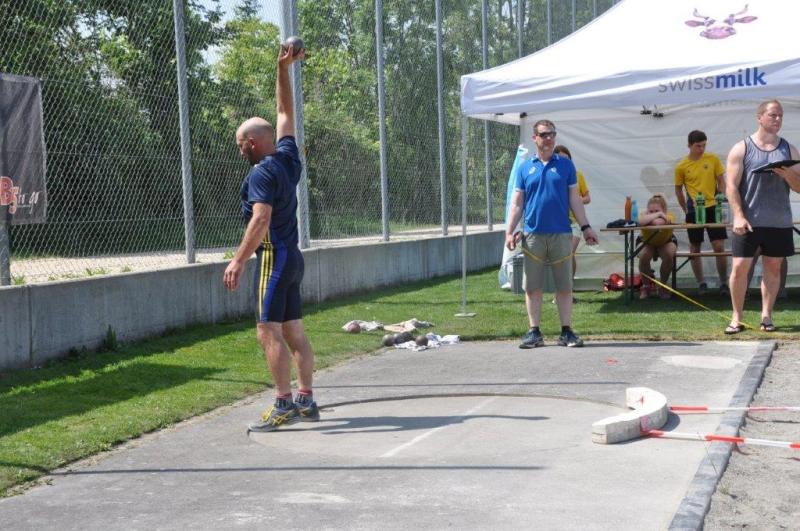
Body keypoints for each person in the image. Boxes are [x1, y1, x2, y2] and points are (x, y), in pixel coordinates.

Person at [223, 43, 320, 431]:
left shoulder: (261, 172)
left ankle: (283, 404)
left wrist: (237, 260)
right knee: (294, 330)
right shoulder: (288, 158)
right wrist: (283, 67)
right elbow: (284, 113)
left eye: (240, 145)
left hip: (274, 257)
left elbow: (261, 218)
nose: (240, 151)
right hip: (292, 257)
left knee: (268, 330)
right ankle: (306, 398)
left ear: (251, 143)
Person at [505, 120, 599, 348]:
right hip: (533, 235)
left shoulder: (566, 166)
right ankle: (534, 332)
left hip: (561, 233)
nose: (549, 139)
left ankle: (566, 332)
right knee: (532, 286)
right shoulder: (525, 168)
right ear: (535, 138)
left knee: (564, 286)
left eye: (552, 134)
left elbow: (575, 199)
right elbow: (517, 203)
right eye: (544, 135)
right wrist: (510, 232)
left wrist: (586, 227)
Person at [725, 100, 800, 334]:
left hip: (779, 221)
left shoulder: (789, 149)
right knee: (739, 268)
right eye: (773, 115)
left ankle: (766, 316)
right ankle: (736, 317)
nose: (777, 119)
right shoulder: (742, 148)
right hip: (748, 220)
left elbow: (799, 187)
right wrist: (738, 216)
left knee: (773, 269)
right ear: (759, 117)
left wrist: (788, 175)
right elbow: (730, 186)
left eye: (780, 116)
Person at [674, 130, 729, 295]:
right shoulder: (681, 166)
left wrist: (721, 198)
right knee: (695, 247)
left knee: (719, 246)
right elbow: (678, 190)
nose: (701, 149)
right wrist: (685, 209)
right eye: (698, 146)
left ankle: (724, 283)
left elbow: (721, 180)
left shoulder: (712, 159)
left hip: (713, 207)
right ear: (689, 145)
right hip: (694, 208)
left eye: (704, 145)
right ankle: (701, 283)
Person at [553, 144, 590, 303]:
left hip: (574, 223)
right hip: (557, 223)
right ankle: (563, 291)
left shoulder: (577, 175)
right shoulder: (552, 176)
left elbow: (587, 198)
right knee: (562, 257)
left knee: (568, 254)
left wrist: (575, 200)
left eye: (567, 159)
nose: (564, 161)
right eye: (561, 159)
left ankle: (566, 291)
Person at [636, 194, 677, 300]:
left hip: (666, 241)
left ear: (665, 210)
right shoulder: (643, 215)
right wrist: (658, 214)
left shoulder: (670, 216)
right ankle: (646, 286)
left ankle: (662, 286)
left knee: (668, 255)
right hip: (646, 241)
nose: (653, 213)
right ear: (647, 210)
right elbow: (639, 222)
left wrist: (649, 219)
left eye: (657, 211)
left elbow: (658, 223)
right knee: (644, 255)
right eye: (651, 211)